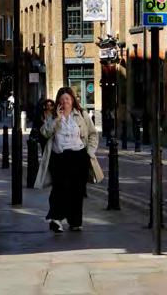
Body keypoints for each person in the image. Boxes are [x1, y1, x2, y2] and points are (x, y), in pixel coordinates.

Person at [35, 87, 101, 233]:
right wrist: (57, 119)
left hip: (79, 156)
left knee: (77, 190)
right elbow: (45, 132)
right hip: (59, 157)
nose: (65, 101)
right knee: (60, 189)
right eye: (62, 99)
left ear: (72, 100)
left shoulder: (82, 114)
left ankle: (75, 221)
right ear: (58, 101)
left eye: (67, 99)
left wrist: (89, 152)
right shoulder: (53, 116)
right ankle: (56, 219)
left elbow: (93, 134)